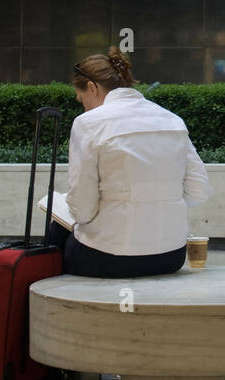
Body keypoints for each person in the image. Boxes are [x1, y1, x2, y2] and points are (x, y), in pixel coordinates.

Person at [47, 47, 213, 278]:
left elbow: (82, 211)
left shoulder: (88, 123)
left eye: (82, 99)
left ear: (92, 88)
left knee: (55, 231)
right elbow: (199, 191)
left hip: (108, 256)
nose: (83, 106)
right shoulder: (173, 120)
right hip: (171, 256)